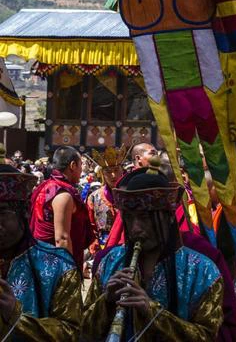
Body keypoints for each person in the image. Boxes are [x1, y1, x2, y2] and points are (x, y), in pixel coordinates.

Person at [82, 158, 224, 339]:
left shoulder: (202, 271)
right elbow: (83, 331)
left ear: (169, 217)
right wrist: (107, 302)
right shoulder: (110, 262)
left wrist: (153, 312)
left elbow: (207, 336)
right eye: (129, 218)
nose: (135, 228)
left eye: (144, 217)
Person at [0, 161, 83, 340]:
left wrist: (16, 318)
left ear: (25, 211)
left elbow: (71, 331)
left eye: (2, 213)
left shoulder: (59, 266)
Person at [29, 146, 93, 271]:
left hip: (38, 258)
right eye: (81, 165)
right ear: (73, 165)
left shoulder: (45, 186)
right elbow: (62, 239)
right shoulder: (62, 194)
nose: (81, 170)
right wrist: (69, 273)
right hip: (53, 266)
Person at [87, 145, 127, 252]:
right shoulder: (94, 198)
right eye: (108, 172)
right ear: (103, 174)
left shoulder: (130, 195)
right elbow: (91, 228)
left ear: (122, 170)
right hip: (103, 249)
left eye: (116, 170)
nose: (113, 175)